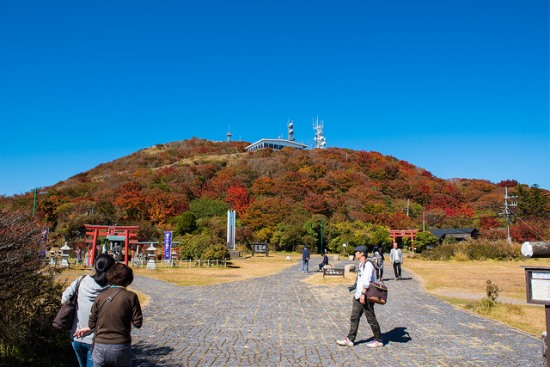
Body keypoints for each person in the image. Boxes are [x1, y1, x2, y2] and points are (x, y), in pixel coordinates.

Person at [75, 263, 143, 367]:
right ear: (129, 279)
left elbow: (91, 324)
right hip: (121, 344)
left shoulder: (100, 297)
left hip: (100, 345)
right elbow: (138, 323)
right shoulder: (131, 297)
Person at [61, 253, 116, 367]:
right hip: (98, 340)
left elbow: (65, 298)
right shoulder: (111, 289)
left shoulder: (81, 280)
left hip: (76, 335)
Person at [336, 245, 383, 348]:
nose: (355, 253)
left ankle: (378, 339)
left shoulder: (368, 265)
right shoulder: (361, 264)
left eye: (357, 252)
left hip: (366, 296)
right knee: (354, 317)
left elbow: (366, 281)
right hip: (358, 295)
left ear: (362, 253)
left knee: (370, 318)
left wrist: (363, 294)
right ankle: (350, 339)